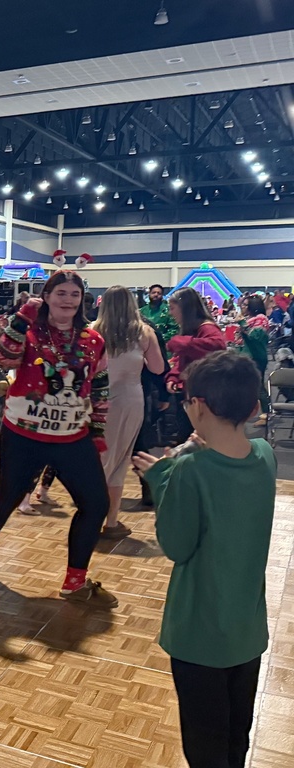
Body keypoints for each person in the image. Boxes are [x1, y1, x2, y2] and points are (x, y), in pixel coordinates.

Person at [133, 352, 275, 768]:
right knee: (235, 735)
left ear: (196, 406)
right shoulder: (265, 455)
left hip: (199, 634)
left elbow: (176, 545)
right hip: (246, 630)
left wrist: (162, 477)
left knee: (204, 743)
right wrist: (185, 459)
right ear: (253, 406)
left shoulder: (190, 471)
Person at [0, 268, 116, 607]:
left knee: (96, 504)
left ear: (82, 300)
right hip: (23, 434)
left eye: (74, 294)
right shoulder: (28, 332)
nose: (68, 300)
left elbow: (100, 386)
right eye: (61, 293)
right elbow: (4, 357)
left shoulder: (93, 339)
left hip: (73, 437)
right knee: (6, 497)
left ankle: (75, 582)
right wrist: (22, 317)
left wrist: (98, 430)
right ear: (46, 297)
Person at [91, 286, 164, 538]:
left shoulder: (92, 331)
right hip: (130, 400)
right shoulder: (144, 332)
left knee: (99, 459)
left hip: (97, 400)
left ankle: (91, 517)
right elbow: (158, 368)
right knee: (120, 461)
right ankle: (110, 521)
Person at [166, 287, 227, 442]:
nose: (170, 313)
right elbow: (183, 359)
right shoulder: (194, 328)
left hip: (204, 394)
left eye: (172, 308)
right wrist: (173, 377)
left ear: (184, 308)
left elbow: (218, 346)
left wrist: (180, 342)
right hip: (193, 391)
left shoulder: (207, 327)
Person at [236, 294, 270, 427]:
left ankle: (266, 414)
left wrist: (242, 323)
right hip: (247, 356)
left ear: (253, 307)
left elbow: (255, 337)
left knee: (259, 386)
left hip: (256, 357)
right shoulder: (250, 319)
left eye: (245, 305)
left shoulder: (261, 319)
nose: (242, 307)